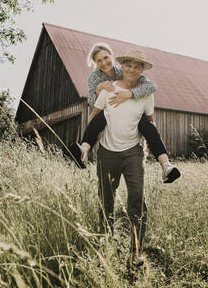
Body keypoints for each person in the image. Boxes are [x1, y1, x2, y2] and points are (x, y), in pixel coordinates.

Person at [77, 43, 180, 183]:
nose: (104, 62)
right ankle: (83, 151)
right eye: (99, 61)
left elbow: (151, 86)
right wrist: (98, 89)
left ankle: (166, 166)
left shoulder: (123, 69)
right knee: (99, 119)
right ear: (95, 63)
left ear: (111, 56)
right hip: (108, 109)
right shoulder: (94, 77)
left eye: (106, 57)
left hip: (131, 111)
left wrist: (130, 94)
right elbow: (92, 102)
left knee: (148, 125)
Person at [93, 49, 155, 267]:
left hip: (133, 153)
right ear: (123, 66)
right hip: (107, 153)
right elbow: (94, 118)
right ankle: (106, 245)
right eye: (128, 65)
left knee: (137, 199)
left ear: (141, 70)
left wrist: (147, 147)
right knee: (106, 200)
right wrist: (88, 142)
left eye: (137, 66)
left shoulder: (146, 93)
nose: (132, 69)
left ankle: (136, 250)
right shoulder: (107, 88)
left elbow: (150, 122)